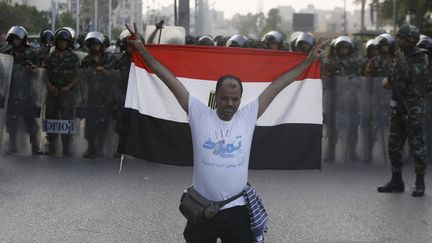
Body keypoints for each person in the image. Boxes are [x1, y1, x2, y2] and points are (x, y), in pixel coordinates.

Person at [125, 23, 327, 243]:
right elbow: (169, 80)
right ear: (216, 97)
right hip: (201, 211)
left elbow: (278, 86)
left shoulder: (248, 115)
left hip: (237, 212)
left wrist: (308, 61)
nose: (229, 104)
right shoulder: (199, 113)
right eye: (224, 98)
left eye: (235, 99)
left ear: (241, 99)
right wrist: (143, 51)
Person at [378, 24, 430, 197]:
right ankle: (396, 180)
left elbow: (414, 77)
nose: (398, 40)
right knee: (394, 144)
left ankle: (420, 182)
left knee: (417, 146)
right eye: (398, 37)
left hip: (413, 107)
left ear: (412, 40)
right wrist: (388, 82)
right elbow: (397, 77)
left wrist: (400, 61)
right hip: (398, 105)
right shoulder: (400, 55)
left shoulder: (421, 57)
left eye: (402, 38)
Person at [2, 26, 42, 155]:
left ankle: (35, 146)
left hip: (28, 93)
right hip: (12, 92)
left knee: (30, 121)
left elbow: (40, 71)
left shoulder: (32, 52)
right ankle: (13, 146)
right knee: (11, 122)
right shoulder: (7, 52)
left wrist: (34, 69)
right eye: (13, 38)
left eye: (18, 38)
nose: (15, 41)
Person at [81, 31, 117, 158]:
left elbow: (117, 75)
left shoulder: (110, 58)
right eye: (92, 44)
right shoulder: (86, 60)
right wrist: (84, 98)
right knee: (90, 124)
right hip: (92, 97)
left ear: (101, 45)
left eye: (97, 44)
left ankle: (101, 148)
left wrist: (105, 71)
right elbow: (83, 79)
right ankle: (91, 148)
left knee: (104, 124)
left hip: (106, 97)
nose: (94, 46)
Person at [44, 27, 80, 156]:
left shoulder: (73, 58)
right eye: (59, 41)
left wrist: (69, 87)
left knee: (67, 121)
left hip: (67, 94)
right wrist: (50, 86)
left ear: (68, 42)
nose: (62, 43)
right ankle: (52, 145)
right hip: (53, 93)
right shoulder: (50, 57)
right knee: (51, 120)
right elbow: (45, 73)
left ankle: (67, 147)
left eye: (64, 41)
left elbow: (78, 75)